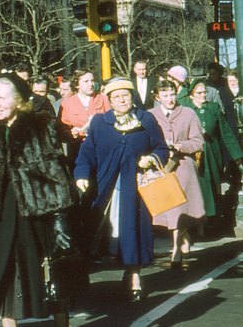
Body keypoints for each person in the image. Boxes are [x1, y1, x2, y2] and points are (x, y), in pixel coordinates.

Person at [0, 76, 77, 326]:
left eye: (2, 97)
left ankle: (61, 321)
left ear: (19, 101)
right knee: (4, 274)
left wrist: (60, 220)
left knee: (49, 274)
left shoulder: (40, 125)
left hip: (37, 212)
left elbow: (56, 175)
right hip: (3, 212)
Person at [74, 78, 168, 302]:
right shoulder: (99, 123)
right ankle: (81, 280)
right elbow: (87, 153)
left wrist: (151, 158)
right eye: (116, 97)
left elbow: (161, 147)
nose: (122, 100)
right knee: (93, 232)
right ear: (109, 100)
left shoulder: (146, 119)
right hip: (104, 190)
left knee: (133, 232)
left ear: (132, 96)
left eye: (125, 95)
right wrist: (81, 175)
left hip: (133, 191)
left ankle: (134, 276)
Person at [148, 79, 205, 266]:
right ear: (157, 97)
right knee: (169, 210)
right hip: (161, 167)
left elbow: (198, 142)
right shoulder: (150, 116)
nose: (170, 99)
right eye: (165, 95)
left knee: (178, 209)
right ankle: (184, 235)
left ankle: (176, 249)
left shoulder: (188, 114)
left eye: (172, 94)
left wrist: (180, 146)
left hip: (183, 166)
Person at [183, 79, 243, 232]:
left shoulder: (214, 108)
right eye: (199, 93)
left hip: (213, 152)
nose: (203, 95)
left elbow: (226, 133)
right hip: (195, 153)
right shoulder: (186, 110)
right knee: (199, 187)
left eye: (205, 92)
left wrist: (237, 155)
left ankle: (212, 221)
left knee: (213, 185)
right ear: (191, 95)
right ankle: (198, 225)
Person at [60, 69, 111, 172]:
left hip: (101, 150)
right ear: (77, 85)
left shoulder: (104, 99)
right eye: (86, 81)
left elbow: (111, 122)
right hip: (78, 151)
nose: (91, 84)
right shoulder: (67, 103)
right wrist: (71, 133)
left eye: (92, 80)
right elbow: (62, 129)